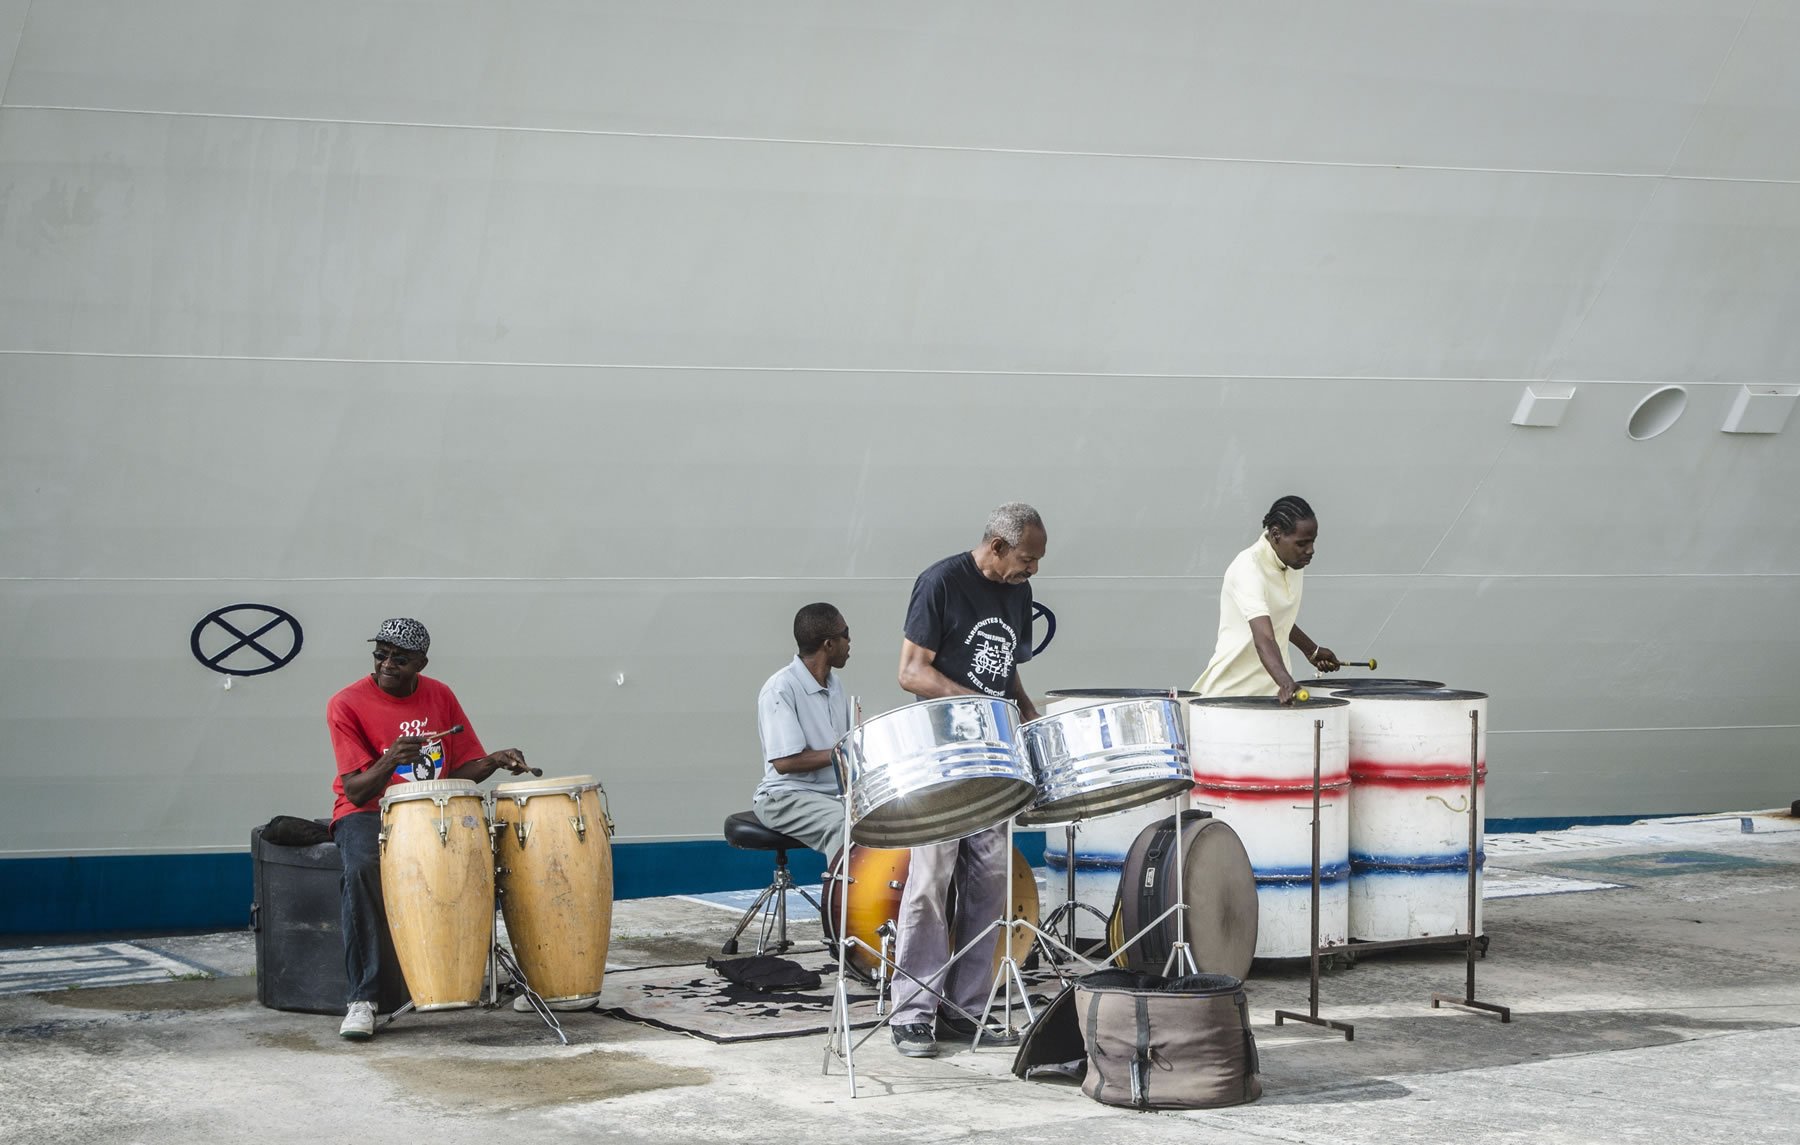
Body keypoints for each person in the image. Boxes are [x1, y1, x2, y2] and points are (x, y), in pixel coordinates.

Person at [888, 502, 1045, 1058]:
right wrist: (977, 702)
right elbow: (911, 671)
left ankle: (965, 1009)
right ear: (997, 546)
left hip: (993, 755)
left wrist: (1024, 707)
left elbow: (1005, 666)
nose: (1033, 569)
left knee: (990, 882)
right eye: (1027, 558)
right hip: (940, 752)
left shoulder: (1017, 591)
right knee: (930, 880)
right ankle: (913, 1012)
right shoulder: (941, 583)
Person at [326, 617, 529, 1040]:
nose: (387, 664)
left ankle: (512, 976)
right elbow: (357, 791)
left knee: (491, 858)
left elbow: (458, 772)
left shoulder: (440, 694)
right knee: (362, 869)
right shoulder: (345, 703)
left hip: (434, 808)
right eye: (381, 655)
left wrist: (493, 760)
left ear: (421, 663)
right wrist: (390, 760)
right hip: (370, 811)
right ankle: (363, 999)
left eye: (399, 659)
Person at [1193, 495, 1342, 702]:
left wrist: (1312, 650)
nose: (1310, 550)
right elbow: (1263, 636)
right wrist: (1285, 682)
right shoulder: (1248, 568)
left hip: (1273, 694)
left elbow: (1278, 618)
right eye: (1302, 543)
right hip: (1230, 697)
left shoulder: (1294, 562)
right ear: (1276, 535)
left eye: (1312, 541)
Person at [751, 603, 853, 856]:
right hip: (784, 798)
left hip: (831, 796)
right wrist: (842, 753)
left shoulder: (835, 685)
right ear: (829, 644)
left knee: (888, 818)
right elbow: (784, 762)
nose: (850, 641)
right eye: (846, 634)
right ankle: (844, 884)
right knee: (844, 825)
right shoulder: (780, 688)